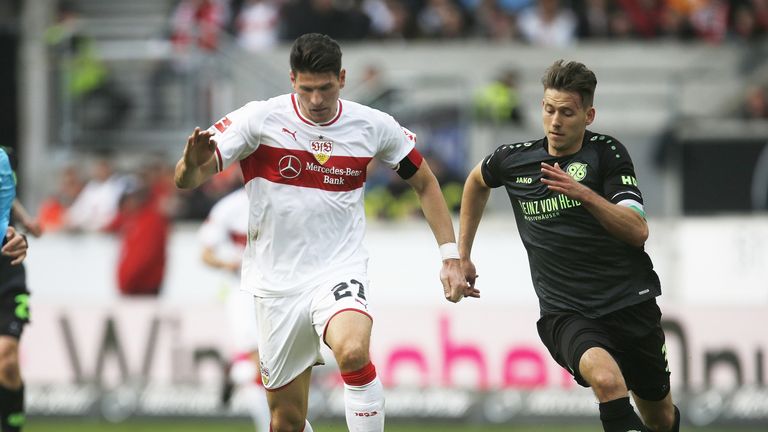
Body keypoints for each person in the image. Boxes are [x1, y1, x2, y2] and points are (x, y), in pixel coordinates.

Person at [174, 33, 473, 432]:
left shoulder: (372, 125)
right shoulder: (259, 118)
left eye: (326, 88)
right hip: (275, 284)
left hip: (338, 269)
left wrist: (449, 255)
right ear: (292, 79)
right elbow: (189, 179)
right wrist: (189, 164)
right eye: (307, 89)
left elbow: (425, 182)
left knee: (352, 351)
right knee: (286, 421)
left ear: (343, 78)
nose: (316, 100)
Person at [458, 60, 680, 432]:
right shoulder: (515, 159)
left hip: (629, 303)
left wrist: (583, 194)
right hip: (567, 313)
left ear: (588, 115)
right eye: (548, 109)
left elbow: (637, 230)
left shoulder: (606, 154)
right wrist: (462, 255)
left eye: (566, 112)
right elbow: (476, 181)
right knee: (607, 382)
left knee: (660, 417)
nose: (555, 121)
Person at [197, 188, 270, 431]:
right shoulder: (229, 207)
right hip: (240, 292)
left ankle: (237, 372)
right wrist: (227, 263)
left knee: (271, 363)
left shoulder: (285, 199)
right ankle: (267, 426)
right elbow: (205, 254)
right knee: (259, 360)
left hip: (277, 293)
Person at [0, 147, 31, 432]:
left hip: (7, 275)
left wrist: (21, 231)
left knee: (6, 357)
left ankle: (12, 426)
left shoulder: (4, 157)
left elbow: (8, 204)